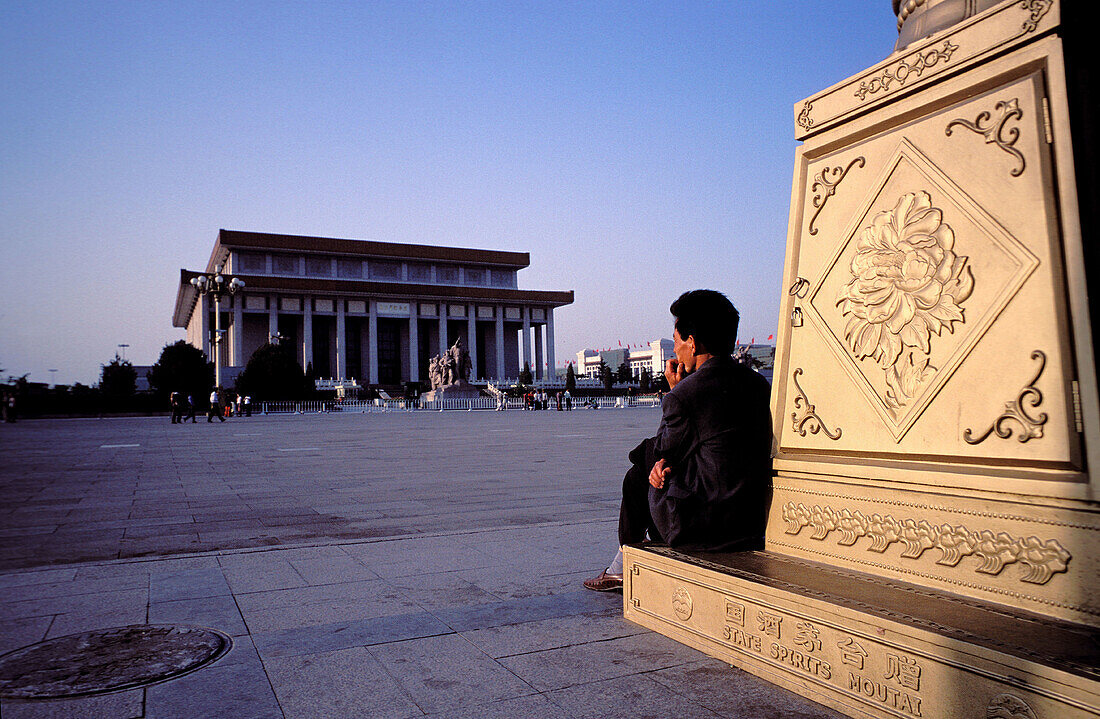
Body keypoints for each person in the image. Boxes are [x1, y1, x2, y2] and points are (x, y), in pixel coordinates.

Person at [583, 290, 772, 592]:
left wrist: (675, 392)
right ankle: (621, 561)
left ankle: (622, 564)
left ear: (693, 342)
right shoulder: (756, 382)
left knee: (638, 471)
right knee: (652, 463)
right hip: (748, 518)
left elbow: (664, 447)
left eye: (676, 341)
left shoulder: (687, 393)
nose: (675, 350)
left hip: (707, 526)